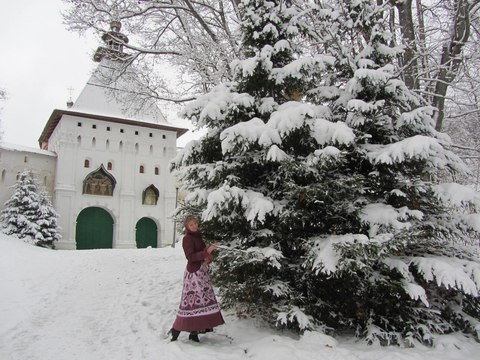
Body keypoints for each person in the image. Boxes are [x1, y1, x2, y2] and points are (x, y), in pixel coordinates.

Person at [170, 215, 225, 342]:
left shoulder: (198, 236)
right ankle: (176, 330)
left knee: (202, 303)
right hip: (193, 275)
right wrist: (207, 252)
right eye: (191, 224)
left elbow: (203, 252)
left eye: (195, 223)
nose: (194, 226)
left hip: (202, 273)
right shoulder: (187, 239)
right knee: (190, 304)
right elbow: (190, 257)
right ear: (187, 227)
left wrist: (208, 258)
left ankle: (194, 333)